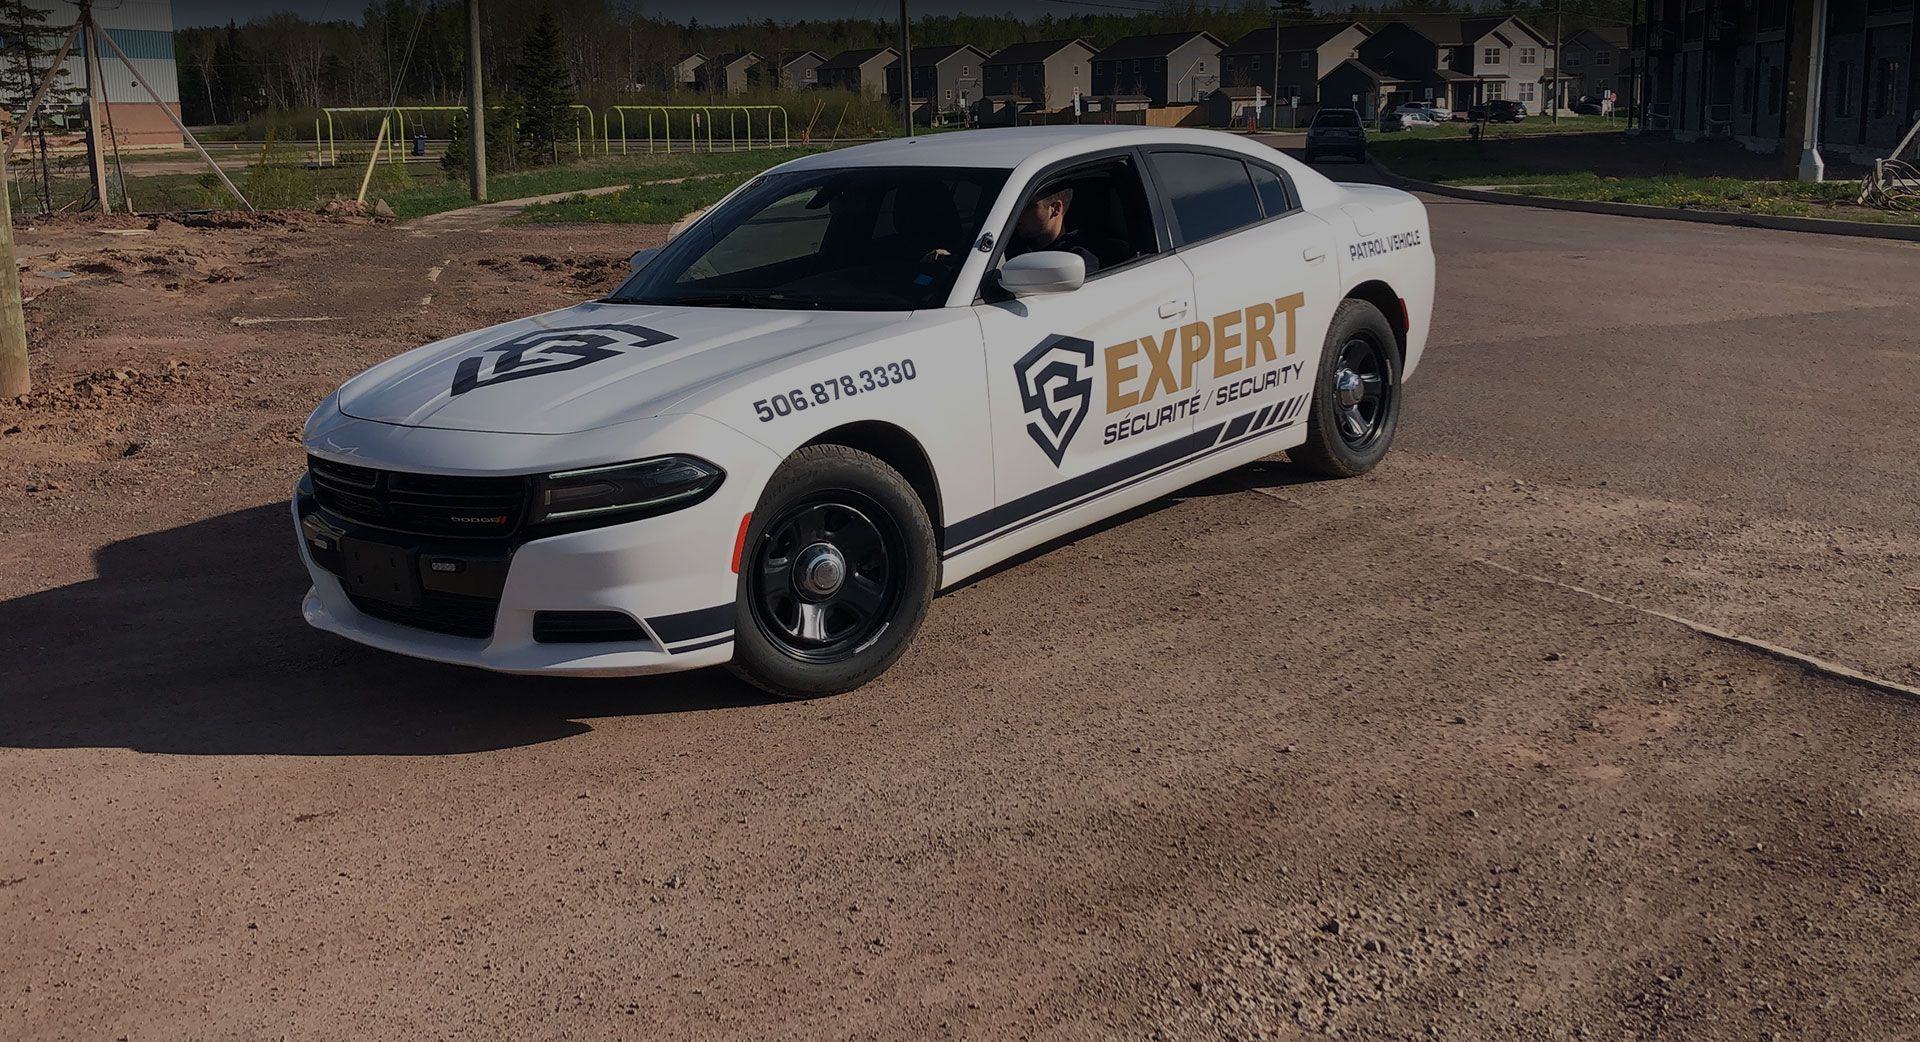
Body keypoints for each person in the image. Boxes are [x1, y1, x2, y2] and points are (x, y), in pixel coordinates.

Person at [1004, 186, 1101, 275]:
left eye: (1027, 206)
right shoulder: (1005, 244)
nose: (1017, 214)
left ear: (1055, 209)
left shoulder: (1077, 261)